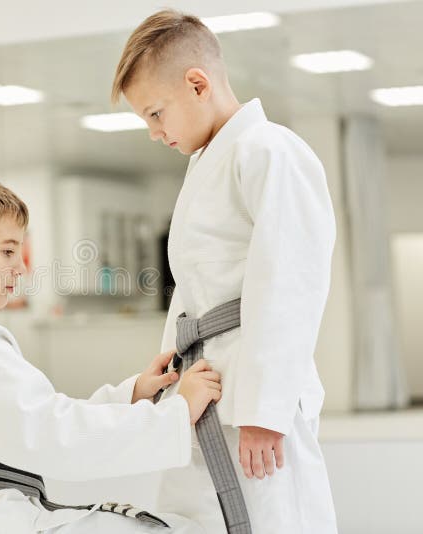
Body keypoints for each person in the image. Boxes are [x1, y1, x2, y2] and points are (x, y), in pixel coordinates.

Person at [111, 9, 339, 534]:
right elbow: (194, 291)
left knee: (275, 519)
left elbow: (290, 283)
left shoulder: (270, 150)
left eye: (155, 113)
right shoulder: (208, 162)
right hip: (205, 386)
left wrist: (266, 410)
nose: (153, 133)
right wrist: (169, 369)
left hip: (252, 403)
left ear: (197, 84)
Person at [0, 172, 221, 533]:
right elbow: (52, 433)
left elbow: (43, 419)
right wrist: (175, 416)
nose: (21, 268)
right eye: (7, 251)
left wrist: (131, 396)